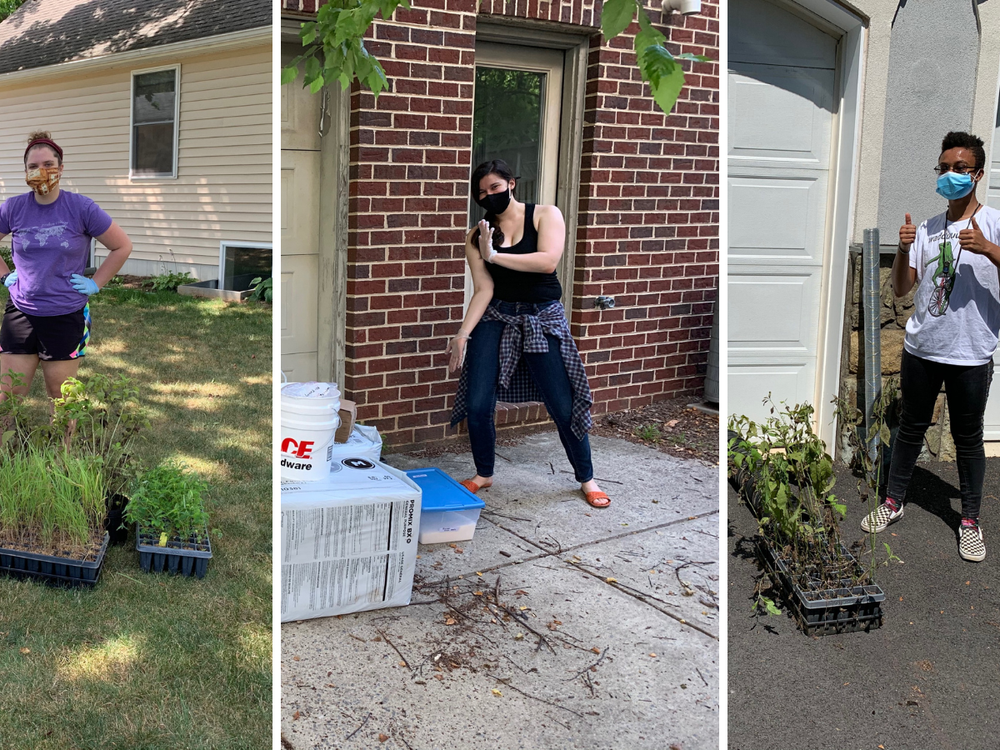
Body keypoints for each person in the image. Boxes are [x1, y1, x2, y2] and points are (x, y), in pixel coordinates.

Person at [862, 131, 999, 562]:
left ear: (977, 174)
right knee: (911, 427)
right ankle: (893, 501)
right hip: (922, 346)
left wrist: (989, 249)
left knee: (969, 436)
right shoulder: (927, 227)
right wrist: (903, 252)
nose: (950, 175)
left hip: (971, 352)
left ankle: (971, 520)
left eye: (960, 169)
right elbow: (903, 290)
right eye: (943, 168)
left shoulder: (994, 223)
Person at [447, 159, 608, 508]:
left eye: (495, 187)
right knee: (477, 403)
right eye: (481, 193)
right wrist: (462, 335)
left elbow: (547, 261)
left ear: (511, 183)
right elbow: (484, 289)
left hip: (541, 317)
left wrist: (497, 255)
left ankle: (587, 477)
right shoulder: (476, 236)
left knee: (562, 403)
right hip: (497, 316)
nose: (489, 196)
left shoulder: (546, 215)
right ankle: (483, 474)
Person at [0, 132, 132, 401]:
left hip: (66, 313)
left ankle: (62, 446)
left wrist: (96, 283)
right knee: (8, 396)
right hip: (21, 311)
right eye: (33, 166)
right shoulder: (13, 208)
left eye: (48, 165)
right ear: (25, 171)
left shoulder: (81, 208)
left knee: (61, 399)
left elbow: (122, 246)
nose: (41, 171)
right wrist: (4, 275)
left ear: (61, 168)